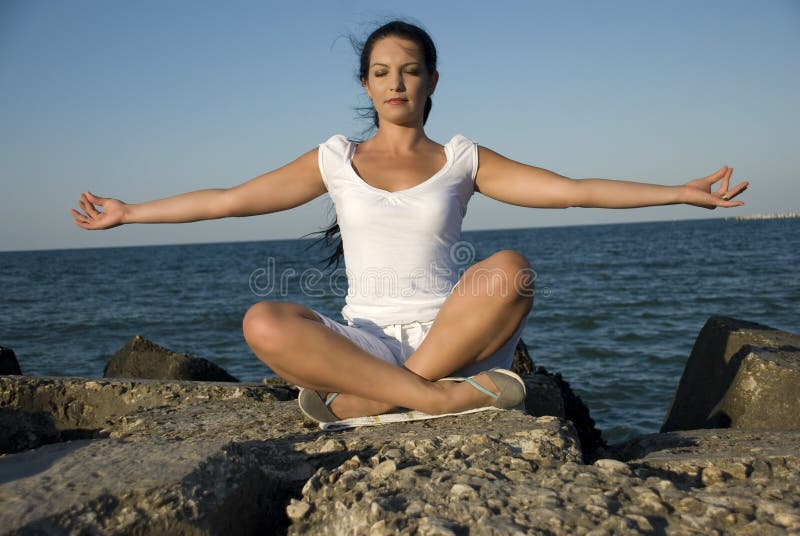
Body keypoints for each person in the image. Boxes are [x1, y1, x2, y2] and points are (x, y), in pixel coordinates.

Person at [70, 20, 748, 424]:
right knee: (263, 320)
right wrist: (131, 213)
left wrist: (676, 192)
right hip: (364, 342)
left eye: (411, 71)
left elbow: (571, 190)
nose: (397, 83)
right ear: (366, 85)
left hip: (452, 337)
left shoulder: (463, 159)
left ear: (432, 81)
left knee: (510, 269)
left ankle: (369, 406)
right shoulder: (334, 159)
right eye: (382, 72)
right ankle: (438, 402)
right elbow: (227, 200)